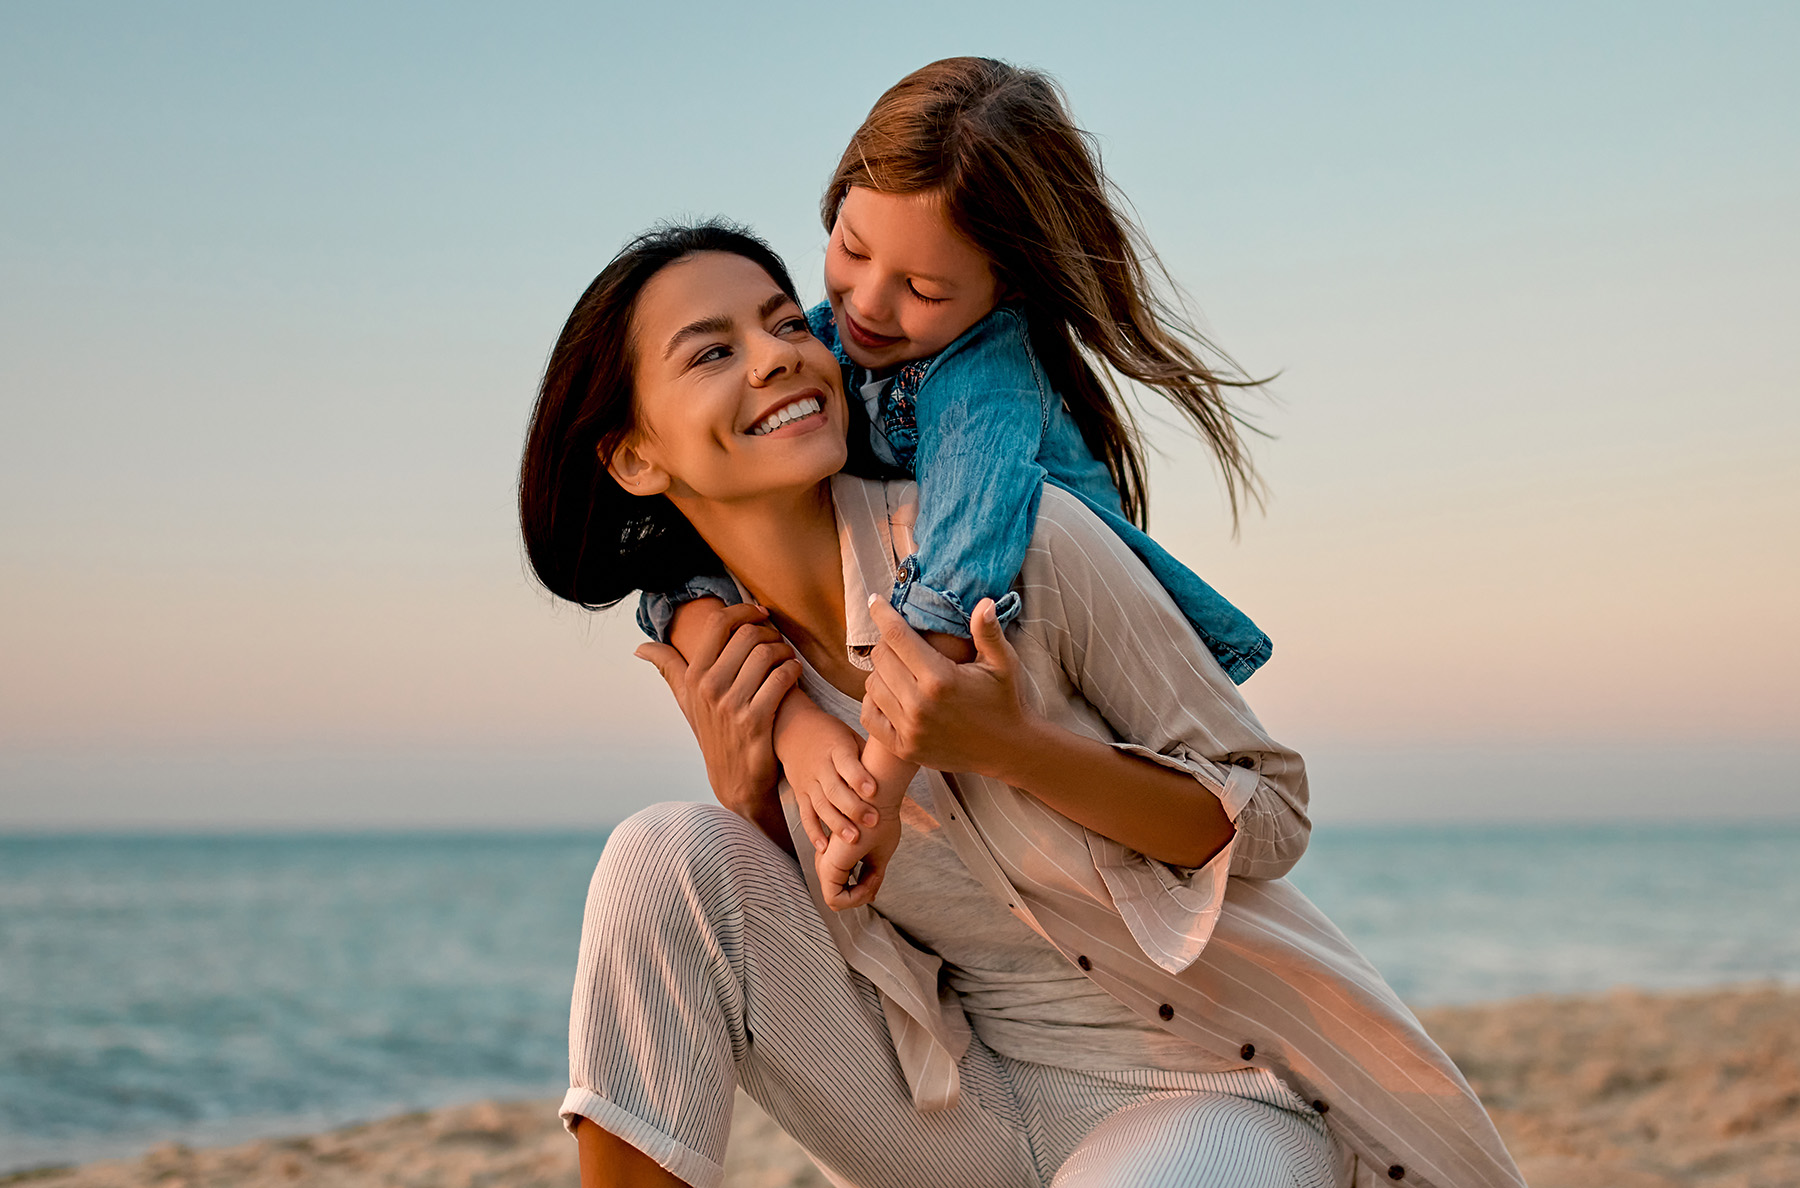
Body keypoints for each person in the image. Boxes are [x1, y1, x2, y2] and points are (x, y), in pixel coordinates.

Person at [517, 223, 1526, 1188]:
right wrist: (748, 795)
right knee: (663, 853)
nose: (778, 356)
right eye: (712, 352)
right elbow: (846, 937)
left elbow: (1271, 814)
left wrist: (1014, 747)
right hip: (956, 1104)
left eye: (787, 323)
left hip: (1205, 1085)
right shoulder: (736, 661)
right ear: (635, 457)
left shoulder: (1024, 543)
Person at [645, 58, 1275, 910]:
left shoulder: (987, 378)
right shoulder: (824, 349)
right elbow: (680, 548)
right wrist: (790, 727)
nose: (867, 303)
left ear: (1002, 287)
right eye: (851, 248)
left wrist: (879, 790)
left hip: (1064, 656)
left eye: (924, 289)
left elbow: (959, 577)